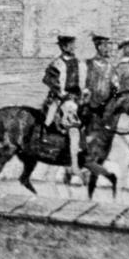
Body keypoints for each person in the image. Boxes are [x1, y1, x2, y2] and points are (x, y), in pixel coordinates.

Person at [41, 33, 84, 175]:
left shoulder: (78, 62)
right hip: (61, 100)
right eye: (70, 45)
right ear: (63, 46)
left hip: (77, 98)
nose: (73, 47)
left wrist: (84, 92)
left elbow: (81, 82)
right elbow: (49, 81)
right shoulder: (56, 64)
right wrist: (62, 93)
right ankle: (74, 164)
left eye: (74, 44)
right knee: (73, 129)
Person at [82, 33, 116, 120]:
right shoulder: (89, 64)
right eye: (104, 46)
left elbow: (114, 84)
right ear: (99, 47)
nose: (107, 48)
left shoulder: (110, 66)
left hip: (106, 106)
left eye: (107, 45)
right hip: (90, 106)